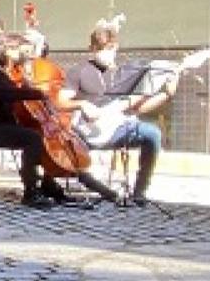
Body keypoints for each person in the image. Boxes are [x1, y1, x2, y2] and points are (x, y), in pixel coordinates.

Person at [61, 22, 172, 206]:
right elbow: (61, 101)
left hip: (118, 127)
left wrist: (166, 92)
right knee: (71, 152)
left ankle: (140, 192)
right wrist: (81, 104)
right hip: (86, 131)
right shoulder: (78, 71)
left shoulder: (124, 74)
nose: (107, 52)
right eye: (101, 48)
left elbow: (138, 107)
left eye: (111, 48)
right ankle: (99, 187)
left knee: (152, 133)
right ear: (92, 49)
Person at [0, 35, 57, 209]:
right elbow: (7, 94)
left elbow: (15, 94)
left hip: (3, 126)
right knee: (32, 138)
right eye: (23, 52)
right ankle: (30, 192)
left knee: (40, 137)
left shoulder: (5, 74)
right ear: (9, 52)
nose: (27, 56)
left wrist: (27, 84)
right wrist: (36, 93)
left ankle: (48, 185)